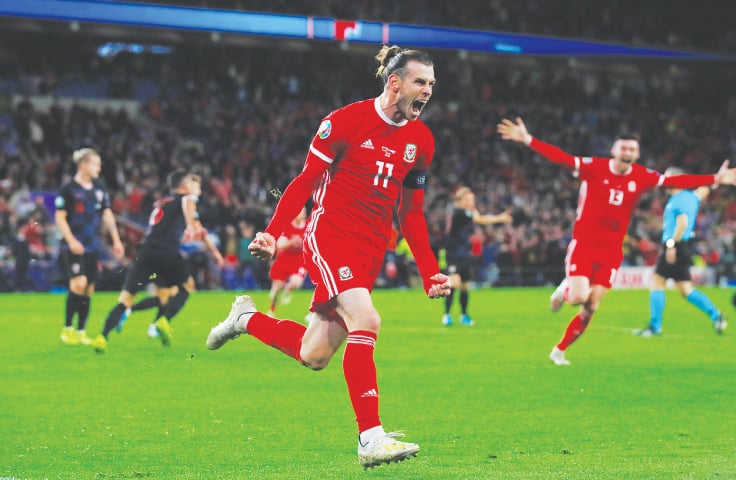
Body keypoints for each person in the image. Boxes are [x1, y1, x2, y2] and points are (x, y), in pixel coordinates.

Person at [206, 45, 451, 469]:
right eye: (420, 82)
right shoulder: (345, 121)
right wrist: (272, 232)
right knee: (367, 320)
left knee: (313, 355)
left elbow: (411, 212)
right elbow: (304, 182)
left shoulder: (421, 140)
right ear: (395, 83)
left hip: (372, 249)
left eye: (431, 83)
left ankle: (244, 319)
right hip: (331, 237)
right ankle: (370, 438)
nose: (428, 90)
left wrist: (430, 271)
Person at [497, 117, 736, 366]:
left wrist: (714, 179)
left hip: (612, 251)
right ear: (614, 150)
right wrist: (528, 139)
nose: (627, 152)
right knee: (579, 298)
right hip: (584, 244)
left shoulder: (641, 177)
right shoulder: (594, 167)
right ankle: (565, 290)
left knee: (592, 305)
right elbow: (561, 157)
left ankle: (559, 350)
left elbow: (674, 182)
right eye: (623, 147)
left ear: (637, 153)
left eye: (632, 149)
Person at [91, 170, 208, 352]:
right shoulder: (186, 199)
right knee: (187, 287)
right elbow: (189, 207)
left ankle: (102, 337)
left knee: (128, 299)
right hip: (167, 251)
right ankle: (162, 321)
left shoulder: (161, 202)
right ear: (185, 186)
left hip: (146, 251)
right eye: (194, 184)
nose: (196, 188)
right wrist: (192, 224)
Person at [633, 169, 727, 336]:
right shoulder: (691, 197)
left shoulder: (677, 201)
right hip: (685, 247)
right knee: (685, 289)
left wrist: (670, 245)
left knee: (657, 282)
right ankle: (716, 315)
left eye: (668, 177)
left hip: (675, 246)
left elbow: (682, 223)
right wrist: (715, 180)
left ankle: (655, 327)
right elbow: (704, 190)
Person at [54, 148, 124, 346]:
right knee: (78, 282)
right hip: (74, 245)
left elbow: (107, 214)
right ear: (83, 165)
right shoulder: (68, 189)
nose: (99, 168)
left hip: (93, 245)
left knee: (89, 288)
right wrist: (71, 240)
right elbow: (60, 217)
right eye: (95, 164)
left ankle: (81, 331)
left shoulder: (99, 188)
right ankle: (67, 329)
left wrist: (116, 239)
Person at [441, 186, 512, 326]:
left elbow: (477, 217)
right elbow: (481, 219)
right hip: (453, 254)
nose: (470, 201)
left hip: (464, 254)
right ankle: (447, 315)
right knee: (454, 283)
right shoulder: (458, 212)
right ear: (460, 200)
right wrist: (500, 218)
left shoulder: (466, 212)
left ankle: (464, 315)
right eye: (467, 199)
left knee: (465, 286)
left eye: (472, 199)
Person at [267, 208, 308, 316]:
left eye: (304, 211)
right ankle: (271, 310)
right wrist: (291, 242)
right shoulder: (287, 225)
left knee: (297, 283)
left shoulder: (309, 225)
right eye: (300, 211)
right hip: (284, 258)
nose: (303, 214)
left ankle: (288, 288)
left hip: (299, 259)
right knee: (276, 289)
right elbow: (280, 245)